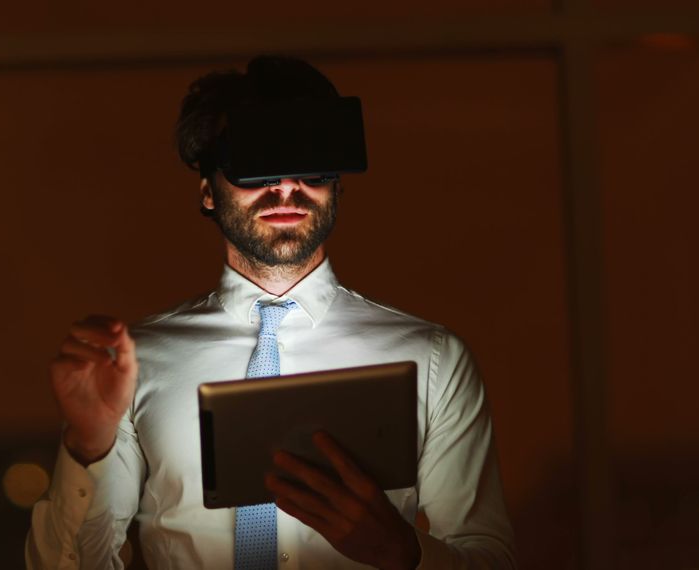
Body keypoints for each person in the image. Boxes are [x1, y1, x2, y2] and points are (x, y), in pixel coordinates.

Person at [26, 56, 516, 569]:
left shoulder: (434, 360)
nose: (286, 188)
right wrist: (89, 446)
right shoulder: (131, 367)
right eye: (253, 165)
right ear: (207, 191)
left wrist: (401, 551)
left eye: (312, 164)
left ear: (339, 183)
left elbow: (491, 559)